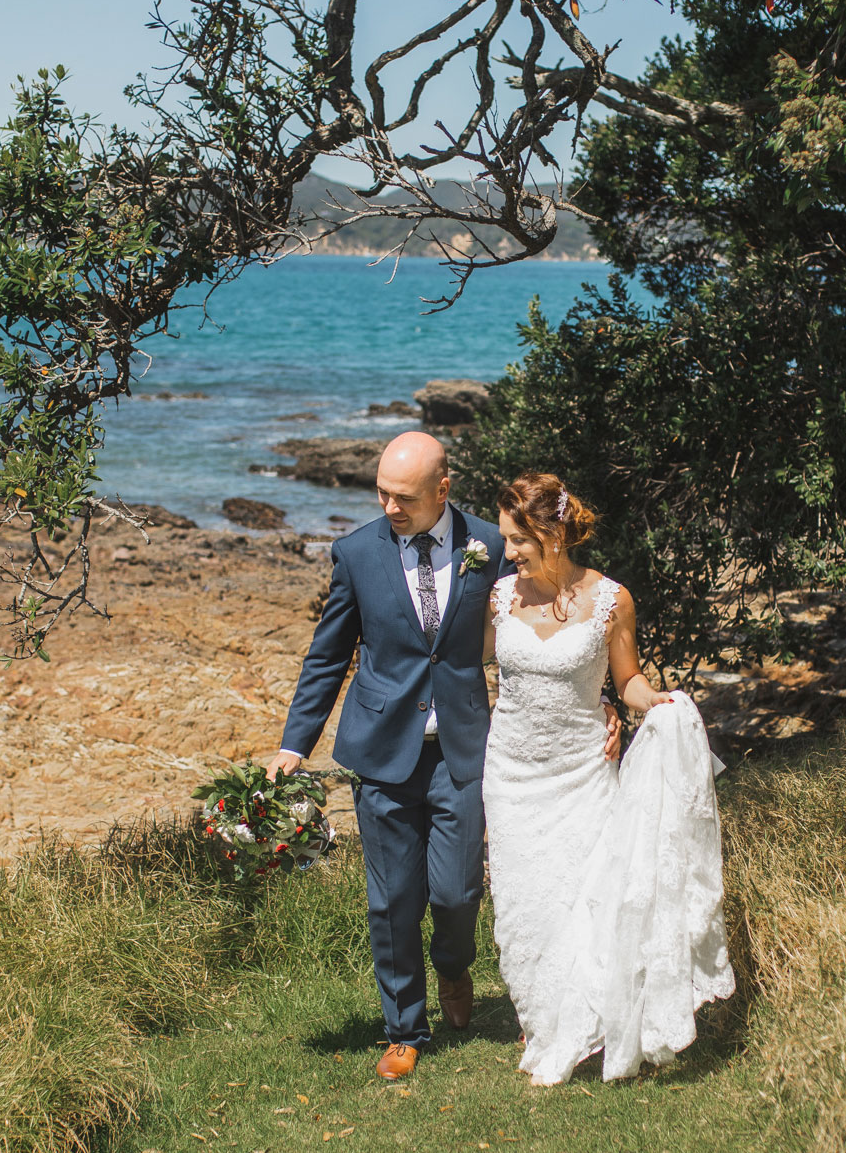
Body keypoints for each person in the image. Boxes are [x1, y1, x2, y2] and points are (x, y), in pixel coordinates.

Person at [268, 434, 619, 1081]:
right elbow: (328, 653)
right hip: (379, 751)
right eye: (382, 492)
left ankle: (454, 965)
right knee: (392, 898)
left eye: (403, 496)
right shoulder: (355, 554)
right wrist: (295, 742)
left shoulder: (493, 545)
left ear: (443, 491)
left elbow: (553, 619)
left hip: (465, 746)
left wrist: (603, 699)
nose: (389, 505)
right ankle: (405, 1026)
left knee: (457, 890)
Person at [484, 472, 734, 1085]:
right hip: (510, 772)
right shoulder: (495, 597)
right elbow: (462, 671)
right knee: (523, 904)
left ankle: (590, 1017)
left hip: (583, 769)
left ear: (554, 532)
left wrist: (657, 705)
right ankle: (542, 1019)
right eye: (506, 540)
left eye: (519, 539)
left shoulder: (611, 600)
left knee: (585, 895)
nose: (509, 552)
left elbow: (627, 682)